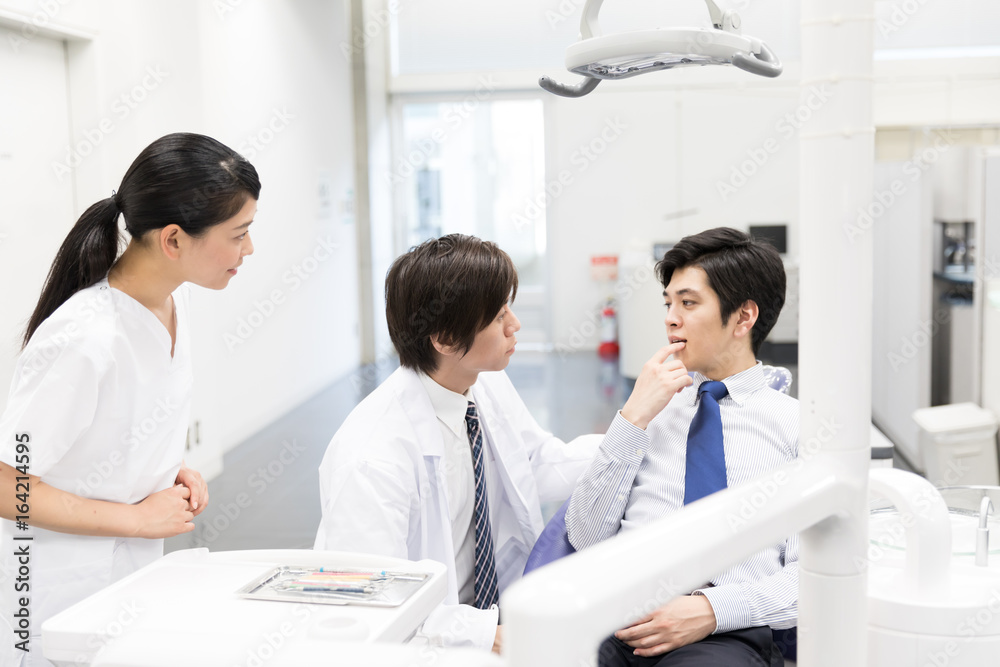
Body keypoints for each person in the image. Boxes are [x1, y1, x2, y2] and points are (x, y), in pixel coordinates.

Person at [0, 133, 260, 666]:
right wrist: (135, 518)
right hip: (56, 594)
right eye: (238, 235)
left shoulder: (171, 302)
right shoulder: (84, 338)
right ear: (173, 240)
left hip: (130, 580)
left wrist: (167, 468)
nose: (248, 250)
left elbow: (112, 426)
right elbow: (9, 488)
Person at [314, 234, 600, 653]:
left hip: (487, 611)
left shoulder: (482, 384)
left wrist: (634, 431)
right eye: (499, 315)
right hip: (418, 643)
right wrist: (489, 637)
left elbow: (536, 465)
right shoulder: (372, 458)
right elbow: (374, 603)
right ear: (445, 339)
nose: (514, 325)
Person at [566, 227, 796, 667]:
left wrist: (712, 611)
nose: (671, 318)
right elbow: (585, 535)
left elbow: (814, 574)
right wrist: (632, 418)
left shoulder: (795, 426)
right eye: (668, 303)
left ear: (743, 317)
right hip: (613, 618)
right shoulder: (652, 409)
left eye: (688, 303)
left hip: (720, 635)